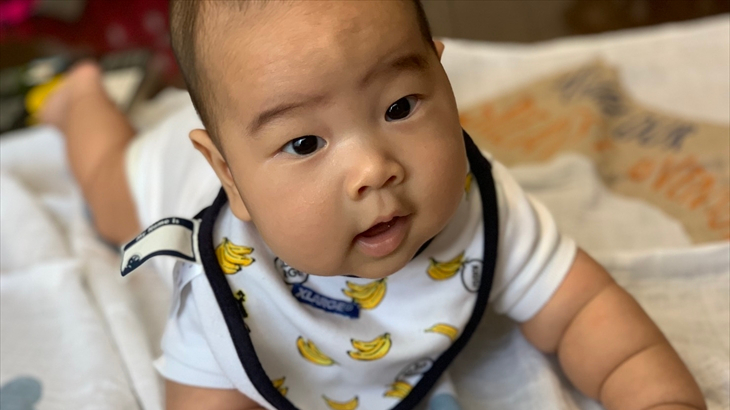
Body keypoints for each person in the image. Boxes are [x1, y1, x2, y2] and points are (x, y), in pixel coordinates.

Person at [41, 1, 706, 409]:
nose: (372, 169)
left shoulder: (483, 209)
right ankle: (82, 100)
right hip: (156, 173)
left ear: (442, 78)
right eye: (305, 143)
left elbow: (587, 314)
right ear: (230, 175)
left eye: (400, 106)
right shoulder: (223, 283)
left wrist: (657, 397)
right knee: (107, 197)